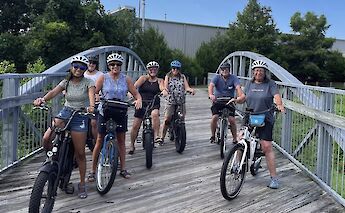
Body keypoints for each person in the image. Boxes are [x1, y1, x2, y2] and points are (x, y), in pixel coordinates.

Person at [33, 55, 95, 199]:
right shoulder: (65, 82)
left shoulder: (88, 82)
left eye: (82, 67)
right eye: (76, 66)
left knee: (80, 153)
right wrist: (42, 99)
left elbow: (91, 97)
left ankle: (81, 184)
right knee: (47, 137)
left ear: (85, 69)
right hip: (66, 112)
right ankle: (52, 160)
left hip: (80, 114)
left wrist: (91, 107)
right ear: (71, 67)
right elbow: (53, 92)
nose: (78, 69)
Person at [89, 53, 142, 181]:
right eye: (112, 64)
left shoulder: (126, 79)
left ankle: (123, 169)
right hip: (105, 110)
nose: (115, 66)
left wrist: (138, 100)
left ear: (121, 66)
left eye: (118, 64)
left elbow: (136, 93)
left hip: (120, 111)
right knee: (100, 139)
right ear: (108, 65)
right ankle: (92, 170)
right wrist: (94, 98)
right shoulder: (103, 77)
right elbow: (94, 91)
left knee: (121, 140)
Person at [244, 59, 285, 189]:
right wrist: (236, 99)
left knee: (266, 146)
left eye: (261, 70)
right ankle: (235, 165)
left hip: (265, 117)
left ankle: (274, 178)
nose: (258, 72)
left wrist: (279, 105)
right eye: (256, 70)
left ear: (265, 72)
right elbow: (243, 97)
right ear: (253, 72)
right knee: (240, 139)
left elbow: (276, 96)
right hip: (250, 115)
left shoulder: (270, 84)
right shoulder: (249, 84)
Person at [128, 61, 164, 154]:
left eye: (155, 69)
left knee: (155, 114)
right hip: (142, 102)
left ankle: (156, 137)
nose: (153, 70)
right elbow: (134, 87)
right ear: (148, 70)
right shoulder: (143, 78)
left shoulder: (160, 80)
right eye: (151, 69)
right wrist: (131, 94)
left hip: (153, 103)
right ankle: (132, 145)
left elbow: (162, 87)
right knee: (136, 125)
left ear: (157, 70)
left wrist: (164, 91)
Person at [157, 60, 195, 145]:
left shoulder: (182, 77)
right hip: (171, 100)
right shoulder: (168, 76)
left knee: (182, 118)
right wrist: (165, 91)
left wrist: (190, 90)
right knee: (167, 119)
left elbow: (187, 87)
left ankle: (181, 134)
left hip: (181, 101)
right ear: (171, 68)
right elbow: (165, 87)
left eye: (177, 68)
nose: (175, 70)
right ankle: (161, 137)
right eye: (174, 68)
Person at [208, 62, 245, 144]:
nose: (224, 71)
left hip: (229, 101)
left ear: (229, 70)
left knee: (232, 120)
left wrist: (240, 96)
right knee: (215, 117)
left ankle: (235, 138)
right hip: (218, 101)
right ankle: (213, 136)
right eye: (222, 69)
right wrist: (211, 95)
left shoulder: (233, 78)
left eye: (226, 69)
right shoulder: (217, 77)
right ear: (220, 70)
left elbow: (238, 87)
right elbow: (211, 86)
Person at [84, 56, 103, 152]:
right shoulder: (82, 73)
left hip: (95, 102)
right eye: (90, 62)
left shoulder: (100, 75)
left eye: (93, 63)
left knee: (94, 123)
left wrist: (99, 95)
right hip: (83, 102)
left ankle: (97, 144)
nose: (91, 64)